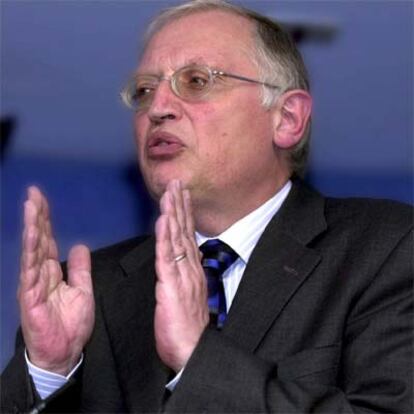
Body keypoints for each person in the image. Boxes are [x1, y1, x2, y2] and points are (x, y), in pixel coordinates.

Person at [1, 0, 412, 413]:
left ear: (287, 118)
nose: (157, 108)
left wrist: (198, 359)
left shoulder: (388, 249)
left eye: (196, 81)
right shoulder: (89, 291)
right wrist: (48, 370)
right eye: (144, 91)